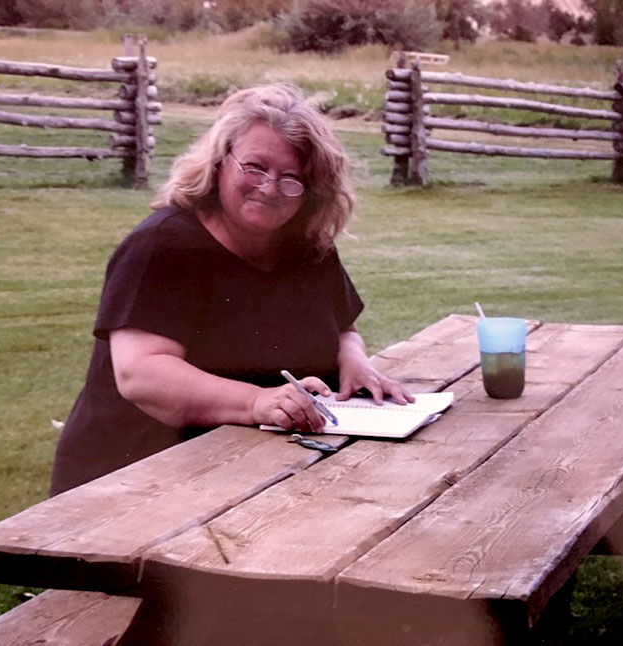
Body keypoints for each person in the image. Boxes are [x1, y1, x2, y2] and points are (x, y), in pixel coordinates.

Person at [50, 83, 412, 496]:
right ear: (221, 162)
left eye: (292, 178)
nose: (271, 187)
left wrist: (354, 360)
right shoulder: (161, 245)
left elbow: (342, 325)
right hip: (130, 482)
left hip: (260, 471)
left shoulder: (307, 246)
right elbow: (141, 374)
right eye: (255, 167)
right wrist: (258, 403)